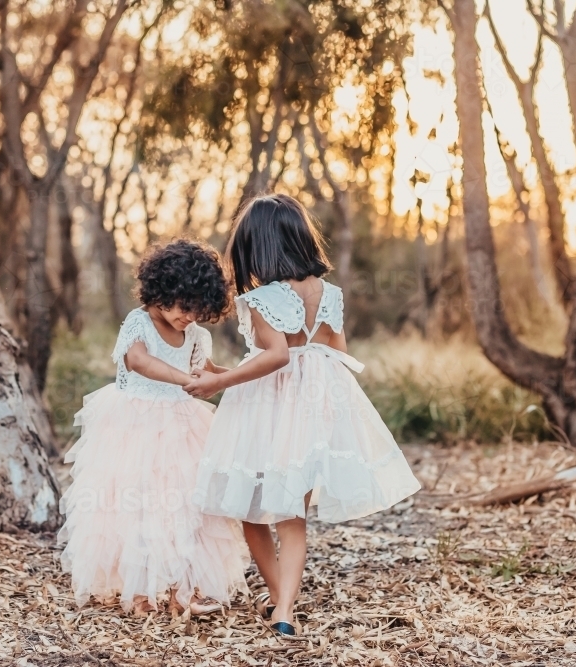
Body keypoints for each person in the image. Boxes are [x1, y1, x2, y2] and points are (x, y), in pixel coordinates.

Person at [186, 194, 421, 635]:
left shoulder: (260, 299)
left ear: (259, 247)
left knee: (253, 508)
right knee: (292, 515)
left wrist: (218, 382)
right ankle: (283, 610)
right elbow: (337, 350)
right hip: (313, 407)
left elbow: (274, 357)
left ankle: (280, 600)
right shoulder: (329, 293)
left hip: (265, 409)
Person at [58, 240, 248, 615]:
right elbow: (140, 362)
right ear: (162, 291)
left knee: (189, 507)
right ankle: (140, 593)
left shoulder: (194, 334)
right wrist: (182, 379)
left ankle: (185, 591)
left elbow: (206, 371)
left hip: (182, 428)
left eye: (198, 311)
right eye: (183, 307)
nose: (189, 317)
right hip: (135, 429)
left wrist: (241, 378)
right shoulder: (138, 322)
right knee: (139, 507)